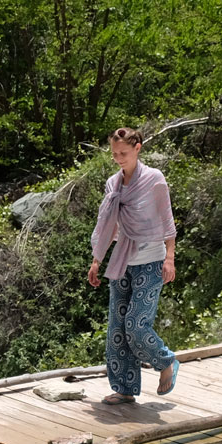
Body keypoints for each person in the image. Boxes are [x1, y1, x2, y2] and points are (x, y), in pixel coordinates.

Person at [87, 128, 180, 404]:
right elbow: (108, 227)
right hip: (121, 261)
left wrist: (170, 257)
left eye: (123, 153)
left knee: (136, 325)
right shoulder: (113, 185)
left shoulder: (154, 179)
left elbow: (167, 219)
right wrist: (96, 261)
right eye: (114, 154)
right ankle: (125, 389)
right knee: (117, 329)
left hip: (151, 261)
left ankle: (166, 362)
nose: (118, 158)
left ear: (138, 148)